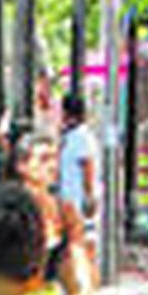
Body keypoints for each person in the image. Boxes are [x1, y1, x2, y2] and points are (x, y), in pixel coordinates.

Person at [15, 130, 94, 295]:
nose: (52, 166)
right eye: (43, 159)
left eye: (55, 158)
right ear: (22, 166)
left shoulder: (64, 210)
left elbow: (78, 257)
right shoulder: (10, 210)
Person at [58, 93, 100, 229]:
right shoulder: (69, 135)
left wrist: (88, 196)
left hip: (78, 201)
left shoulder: (82, 136)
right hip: (69, 200)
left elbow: (88, 165)